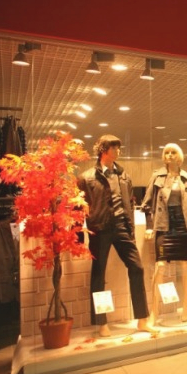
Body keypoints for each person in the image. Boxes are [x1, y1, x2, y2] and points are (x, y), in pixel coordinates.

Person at [77, 134, 155, 337]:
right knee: (99, 274)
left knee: (137, 267)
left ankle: (142, 320)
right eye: (114, 148)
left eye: (118, 148)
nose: (118, 151)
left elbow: (129, 202)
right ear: (104, 150)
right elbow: (78, 208)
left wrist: (130, 228)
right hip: (100, 229)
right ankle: (101, 323)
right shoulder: (87, 178)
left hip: (122, 227)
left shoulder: (123, 176)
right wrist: (79, 238)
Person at [141, 143, 187, 323]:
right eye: (166, 152)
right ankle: (154, 311)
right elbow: (147, 204)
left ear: (179, 156)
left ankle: (186, 308)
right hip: (164, 224)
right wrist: (149, 226)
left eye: (173, 152)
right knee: (160, 266)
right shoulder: (156, 176)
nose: (169, 155)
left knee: (185, 266)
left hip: (182, 224)